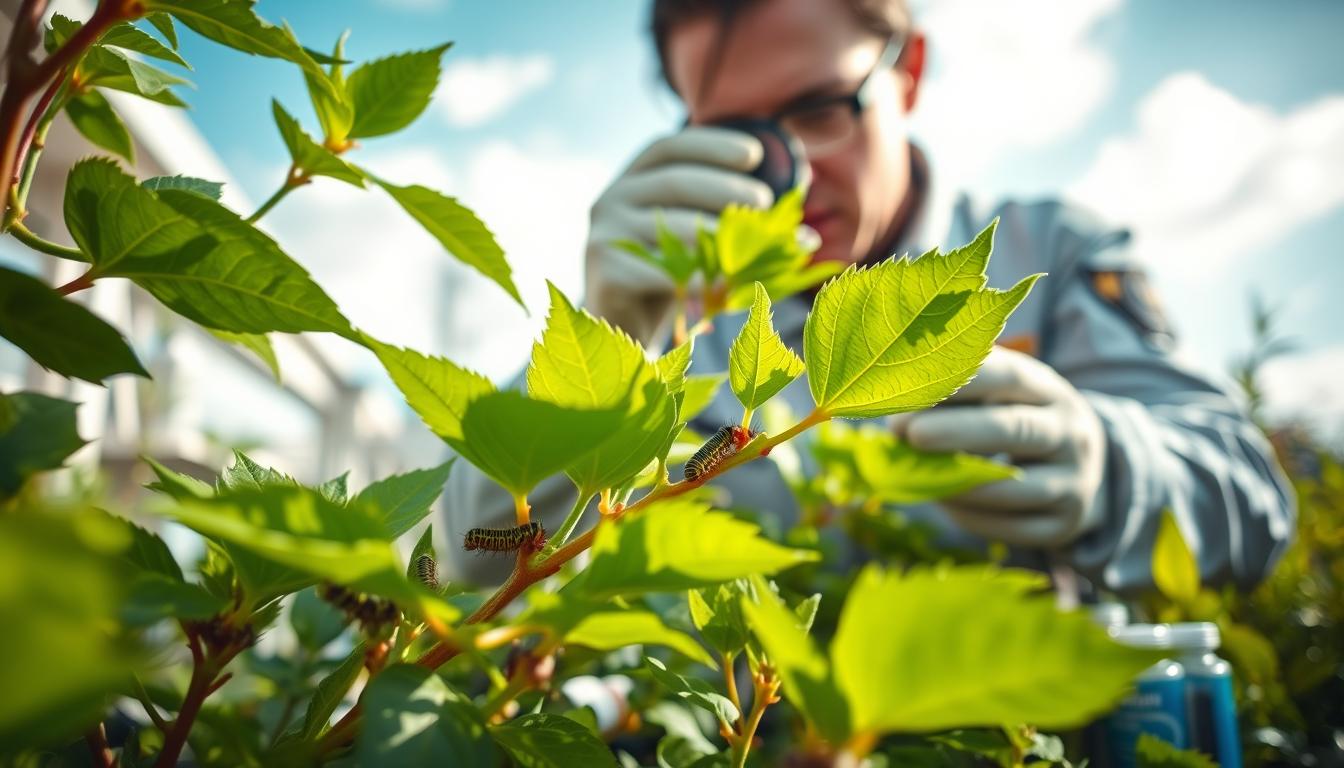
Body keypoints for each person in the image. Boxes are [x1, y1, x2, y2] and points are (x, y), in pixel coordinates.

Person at [443, 0, 1295, 596]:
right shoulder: (681, 330)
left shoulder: (1048, 258)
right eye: (739, 138)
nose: (795, 176)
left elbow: (1255, 500)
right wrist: (589, 370)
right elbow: (459, 576)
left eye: (820, 110)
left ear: (909, 71)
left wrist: (1109, 472)